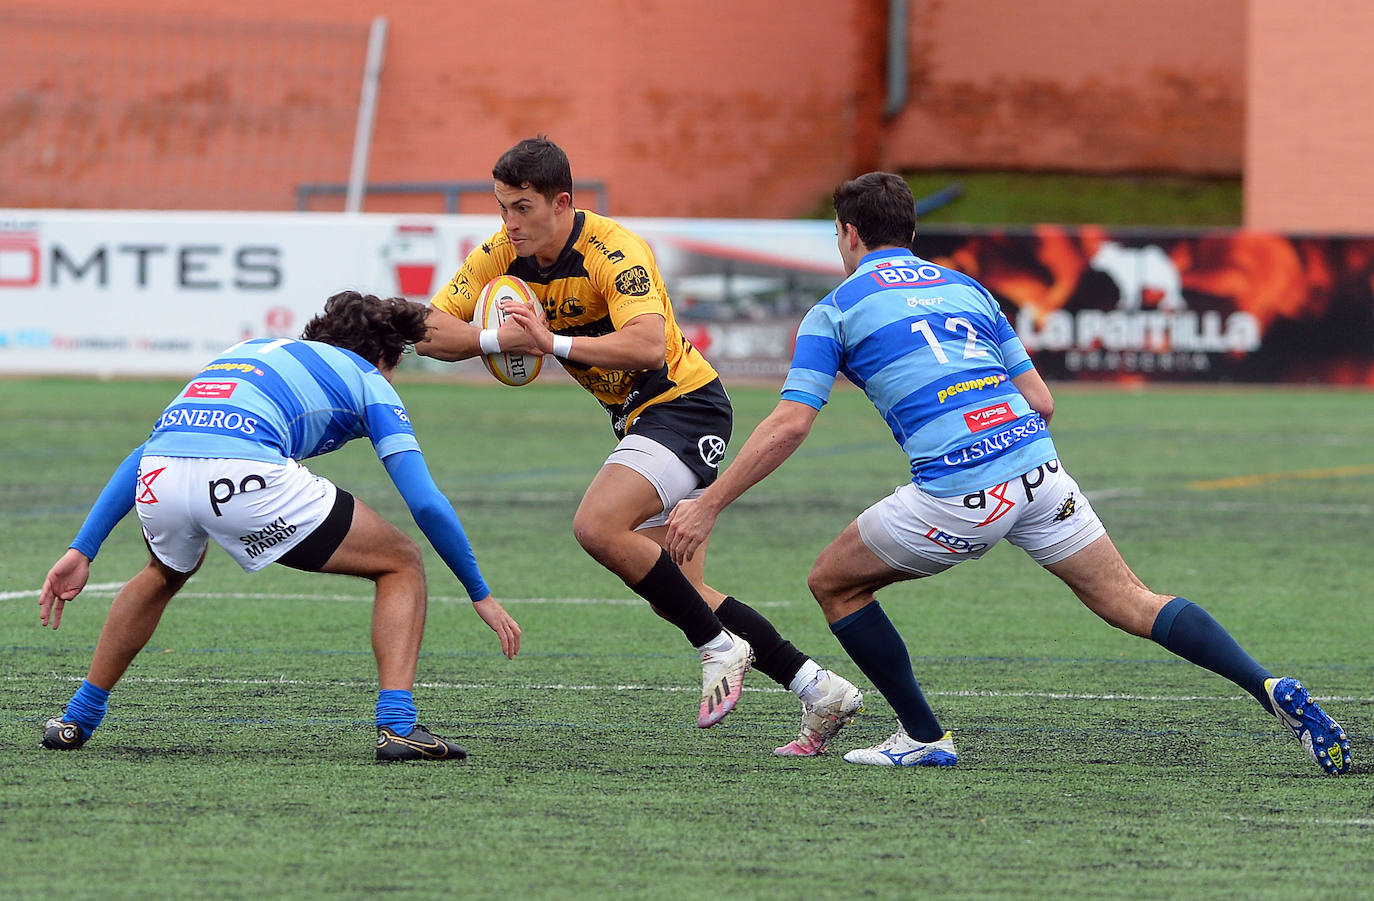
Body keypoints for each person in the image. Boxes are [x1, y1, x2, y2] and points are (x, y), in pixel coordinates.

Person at [665, 172, 1353, 774]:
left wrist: (710, 502)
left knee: (833, 582)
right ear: (911, 230)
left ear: (847, 235)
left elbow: (790, 421)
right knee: (1133, 601)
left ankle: (924, 736)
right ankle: (1269, 686)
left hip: (961, 492)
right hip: (1040, 472)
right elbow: (1042, 402)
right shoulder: (969, 289)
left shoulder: (836, 309)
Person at [417, 135, 863, 754]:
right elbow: (431, 334)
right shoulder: (500, 254)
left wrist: (552, 345)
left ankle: (719, 647)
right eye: (501, 207)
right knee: (681, 596)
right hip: (637, 421)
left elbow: (648, 345)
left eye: (521, 208)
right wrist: (498, 339)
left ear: (562, 203)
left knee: (597, 524)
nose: (508, 224)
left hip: (687, 406)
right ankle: (820, 689)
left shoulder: (615, 250)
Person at [39, 291, 521, 762]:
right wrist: (479, 592)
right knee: (401, 562)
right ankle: (397, 726)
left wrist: (83, 548)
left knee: (163, 573)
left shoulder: (246, 350)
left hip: (161, 474)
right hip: (243, 477)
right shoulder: (369, 379)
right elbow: (426, 503)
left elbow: (148, 448)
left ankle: (77, 717)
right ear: (383, 356)